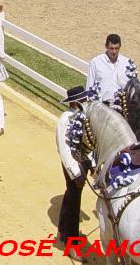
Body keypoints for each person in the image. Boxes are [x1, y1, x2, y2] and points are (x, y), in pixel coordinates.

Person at [55, 86, 92, 259]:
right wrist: (75, 172)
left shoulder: (84, 116)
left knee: (71, 197)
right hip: (73, 165)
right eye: (83, 100)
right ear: (76, 102)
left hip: (83, 161)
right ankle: (71, 244)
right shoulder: (65, 119)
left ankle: (63, 233)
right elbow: (64, 149)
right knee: (74, 201)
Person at [85, 33, 134, 104]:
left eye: (116, 48)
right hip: (102, 106)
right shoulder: (95, 62)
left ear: (120, 47)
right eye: (111, 48)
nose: (114, 52)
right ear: (106, 46)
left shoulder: (127, 63)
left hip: (122, 106)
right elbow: (89, 86)